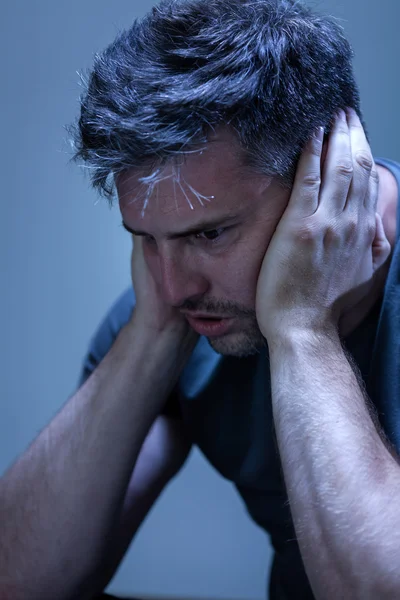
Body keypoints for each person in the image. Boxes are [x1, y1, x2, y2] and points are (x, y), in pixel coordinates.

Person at [1, 1, 400, 599]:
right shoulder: (178, 308)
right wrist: (152, 337)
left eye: (209, 234)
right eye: (145, 240)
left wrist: (302, 331)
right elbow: (21, 582)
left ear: (334, 176)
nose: (174, 287)